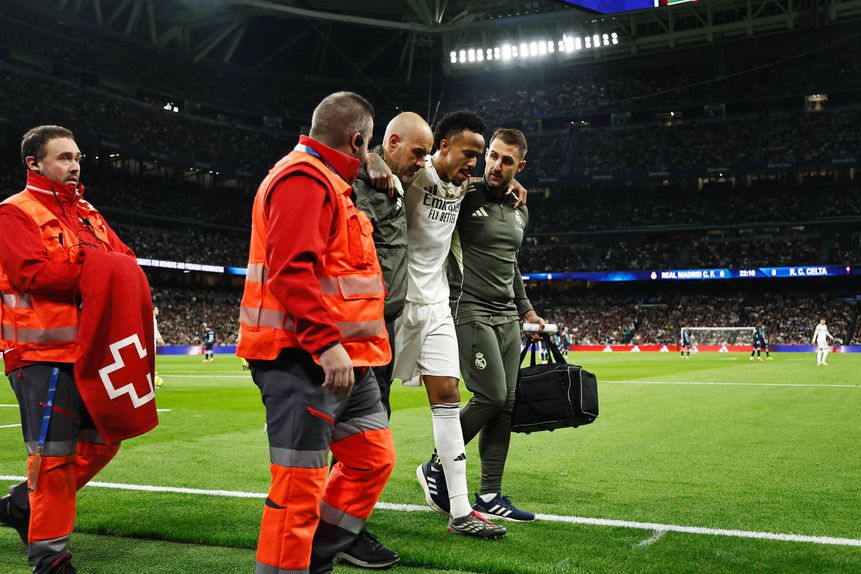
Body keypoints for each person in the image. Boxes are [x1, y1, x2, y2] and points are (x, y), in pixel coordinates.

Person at [236, 92, 396, 574]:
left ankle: (312, 560)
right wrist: (326, 344)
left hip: (348, 360)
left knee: (372, 459)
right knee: (298, 488)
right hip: (304, 358)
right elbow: (290, 272)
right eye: (368, 146)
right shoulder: (303, 179)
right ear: (357, 140)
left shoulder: (328, 181)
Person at [0, 125, 136, 573]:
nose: (75, 165)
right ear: (34, 163)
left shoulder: (89, 212)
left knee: (105, 440)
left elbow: (126, 259)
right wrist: (98, 270)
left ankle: (22, 505)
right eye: (64, 157)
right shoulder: (14, 212)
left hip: (90, 354)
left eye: (77, 157)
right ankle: (51, 560)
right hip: (41, 356)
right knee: (54, 460)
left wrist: (102, 268)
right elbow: (32, 274)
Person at [396, 110, 507, 539]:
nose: (474, 163)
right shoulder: (413, 175)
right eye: (468, 153)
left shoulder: (464, 186)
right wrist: (372, 160)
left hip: (438, 305)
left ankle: (460, 510)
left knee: (447, 396)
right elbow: (382, 155)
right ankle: (337, 504)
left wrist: (512, 185)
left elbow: (486, 183)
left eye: (479, 155)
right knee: (368, 404)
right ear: (442, 147)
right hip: (397, 307)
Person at [334, 111, 433, 568]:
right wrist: (367, 160)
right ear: (391, 143)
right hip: (357, 328)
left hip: (382, 328)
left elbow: (452, 171)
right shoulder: (361, 177)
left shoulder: (397, 178)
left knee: (369, 429)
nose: (422, 162)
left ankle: (343, 526)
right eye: (417, 152)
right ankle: (340, 532)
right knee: (357, 435)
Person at [448, 128, 545, 522]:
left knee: (505, 405)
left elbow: (511, 263)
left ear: (520, 166)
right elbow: (434, 179)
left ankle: (490, 495)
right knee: (490, 395)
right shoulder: (465, 194)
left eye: (507, 161)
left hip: (507, 317)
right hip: (469, 309)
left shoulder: (521, 209)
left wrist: (527, 310)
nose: (496, 165)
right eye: (493, 156)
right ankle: (438, 464)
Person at [153, 306, 165, 387]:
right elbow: (154, 329)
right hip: (151, 339)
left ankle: (152, 370)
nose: (158, 310)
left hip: (153, 339)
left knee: (153, 355)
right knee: (151, 356)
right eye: (156, 309)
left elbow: (155, 330)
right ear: (153, 310)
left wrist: (159, 338)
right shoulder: (151, 318)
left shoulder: (154, 319)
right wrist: (159, 338)